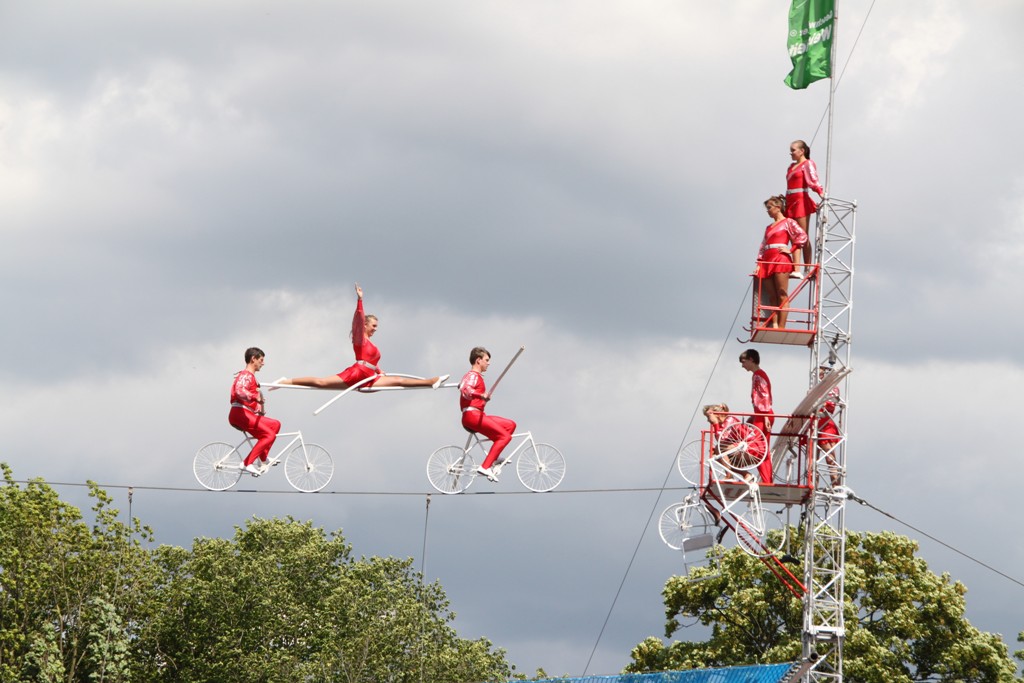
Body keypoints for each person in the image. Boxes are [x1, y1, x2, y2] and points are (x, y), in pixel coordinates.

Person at [279, 283, 448, 391]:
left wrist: (379, 370)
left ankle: (431, 381)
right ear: (366, 325)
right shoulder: (360, 339)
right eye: (373, 325)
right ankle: (286, 381)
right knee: (321, 383)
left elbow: (373, 362)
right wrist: (360, 301)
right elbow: (358, 320)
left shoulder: (371, 344)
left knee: (397, 381)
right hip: (357, 374)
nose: (376, 329)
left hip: (370, 376)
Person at [459, 346, 517, 482]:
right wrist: (481, 395)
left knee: (510, 425)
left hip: (477, 415)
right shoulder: (472, 375)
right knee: (505, 437)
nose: (489, 363)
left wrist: (482, 399)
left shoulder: (476, 377)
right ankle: (485, 467)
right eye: (486, 360)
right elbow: (465, 389)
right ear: (478, 360)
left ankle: (494, 458)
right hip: (472, 416)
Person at [755, 195, 808, 329]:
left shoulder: (788, 222)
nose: (767, 211)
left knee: (782, 293)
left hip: (781, 259)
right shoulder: (768, 227)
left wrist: (791, 249)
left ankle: (782, 325)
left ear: (778, 208)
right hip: (767, 260)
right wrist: (758, 264)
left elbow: (802, 236)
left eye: (769, 208)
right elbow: (762, 246)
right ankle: (774, 324)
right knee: (772, 295)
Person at [229, 347, 282, 476]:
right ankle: (247, 463)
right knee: (269, 435)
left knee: (275, 424)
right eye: (261, 360)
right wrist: (255, 397)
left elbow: (250, 397)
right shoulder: (246, 375)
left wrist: (259, 409)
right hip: (239, 413)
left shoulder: (251, 377)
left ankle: (262, 459)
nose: (263, 363)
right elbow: (239, 391)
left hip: (246, 413)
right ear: (253, 359)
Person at [702, 403, 766, 482]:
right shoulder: (724, 424)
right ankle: (746, 475)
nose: (708, 420)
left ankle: (729, 476)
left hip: (753, 448)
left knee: (719, 449)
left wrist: (715, 424)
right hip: (746, 450)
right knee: (718, 455)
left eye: (708, 416)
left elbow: (721, 438)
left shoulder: (730, 420)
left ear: (717, 414)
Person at [785, 139, 823, 271]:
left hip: (801, 200)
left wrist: (820, 192)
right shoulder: (791, 166)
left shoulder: (807, 164)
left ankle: (807, 265)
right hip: (790, 200)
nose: (791, 153)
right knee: (792, 234)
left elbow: (813, 180)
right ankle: (796, 267)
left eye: (793, 150)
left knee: (802, 234)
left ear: (802, 151)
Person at [739, 349, 774, 483]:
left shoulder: (758, 375)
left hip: (763, 414)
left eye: (744, 362)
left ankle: (741, 467)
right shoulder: (758, 375)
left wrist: (764, 416)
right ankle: (766, 479)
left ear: (751, 359)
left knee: (756, 446)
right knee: (762, 448)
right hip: (761, 414)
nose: (743, 365)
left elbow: (764, 395)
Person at [815, 365, 842, 488]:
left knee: (829, 455)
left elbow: (831, 405)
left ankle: (835, 483)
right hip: (818, 422)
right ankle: (815, 485)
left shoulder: (831, 388)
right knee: (814, 458)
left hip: (825, 423)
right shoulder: (816, 388)